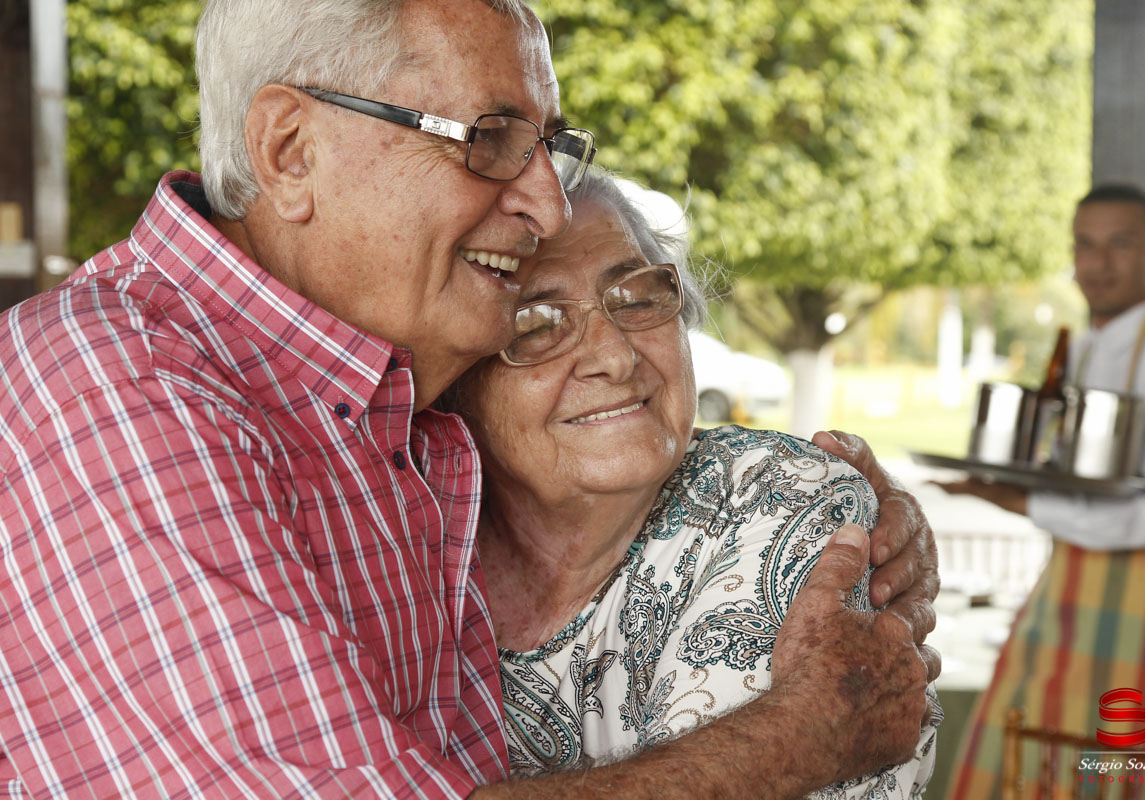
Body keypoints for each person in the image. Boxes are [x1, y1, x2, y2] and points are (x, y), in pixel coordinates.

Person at [0, 1, 938, 797]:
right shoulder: (121, 390)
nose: (547, 203)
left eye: (547, 146)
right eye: (489, 140)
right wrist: (803, 734)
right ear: (290, 151)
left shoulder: (388, 408)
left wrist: (832, 490)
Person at [446, 167, 941, 797]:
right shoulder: (402, 529)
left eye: (637, 296)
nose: (616, 356)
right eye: (536, 322)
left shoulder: (778, 503)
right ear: (455, 379)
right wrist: (794, 734)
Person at [942, 183, 1145, 799]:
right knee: (1025, 753)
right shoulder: (1079, 350)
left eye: (1120, 245)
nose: (1097, 263)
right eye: (1085, 245)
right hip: (1064, 590)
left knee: (1122, 773)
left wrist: (1023, 502)